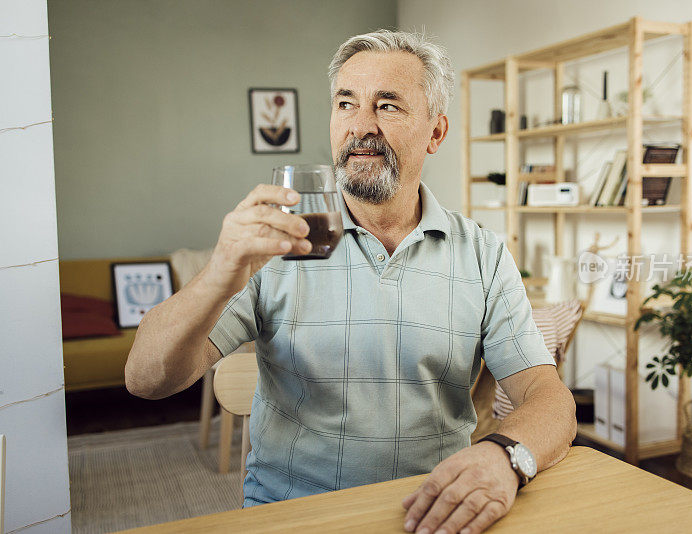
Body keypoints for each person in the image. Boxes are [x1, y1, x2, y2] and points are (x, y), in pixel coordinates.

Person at [125, 30, 576, 534]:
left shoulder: (483, 254)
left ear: (436, 132)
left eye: (387, 106)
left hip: (432, 513)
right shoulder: (276, 240)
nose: (361, 126)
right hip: (294, 516)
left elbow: (548, 396)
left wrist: (504, 458)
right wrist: (219, 275)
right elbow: (146, 380)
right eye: (346, 103)